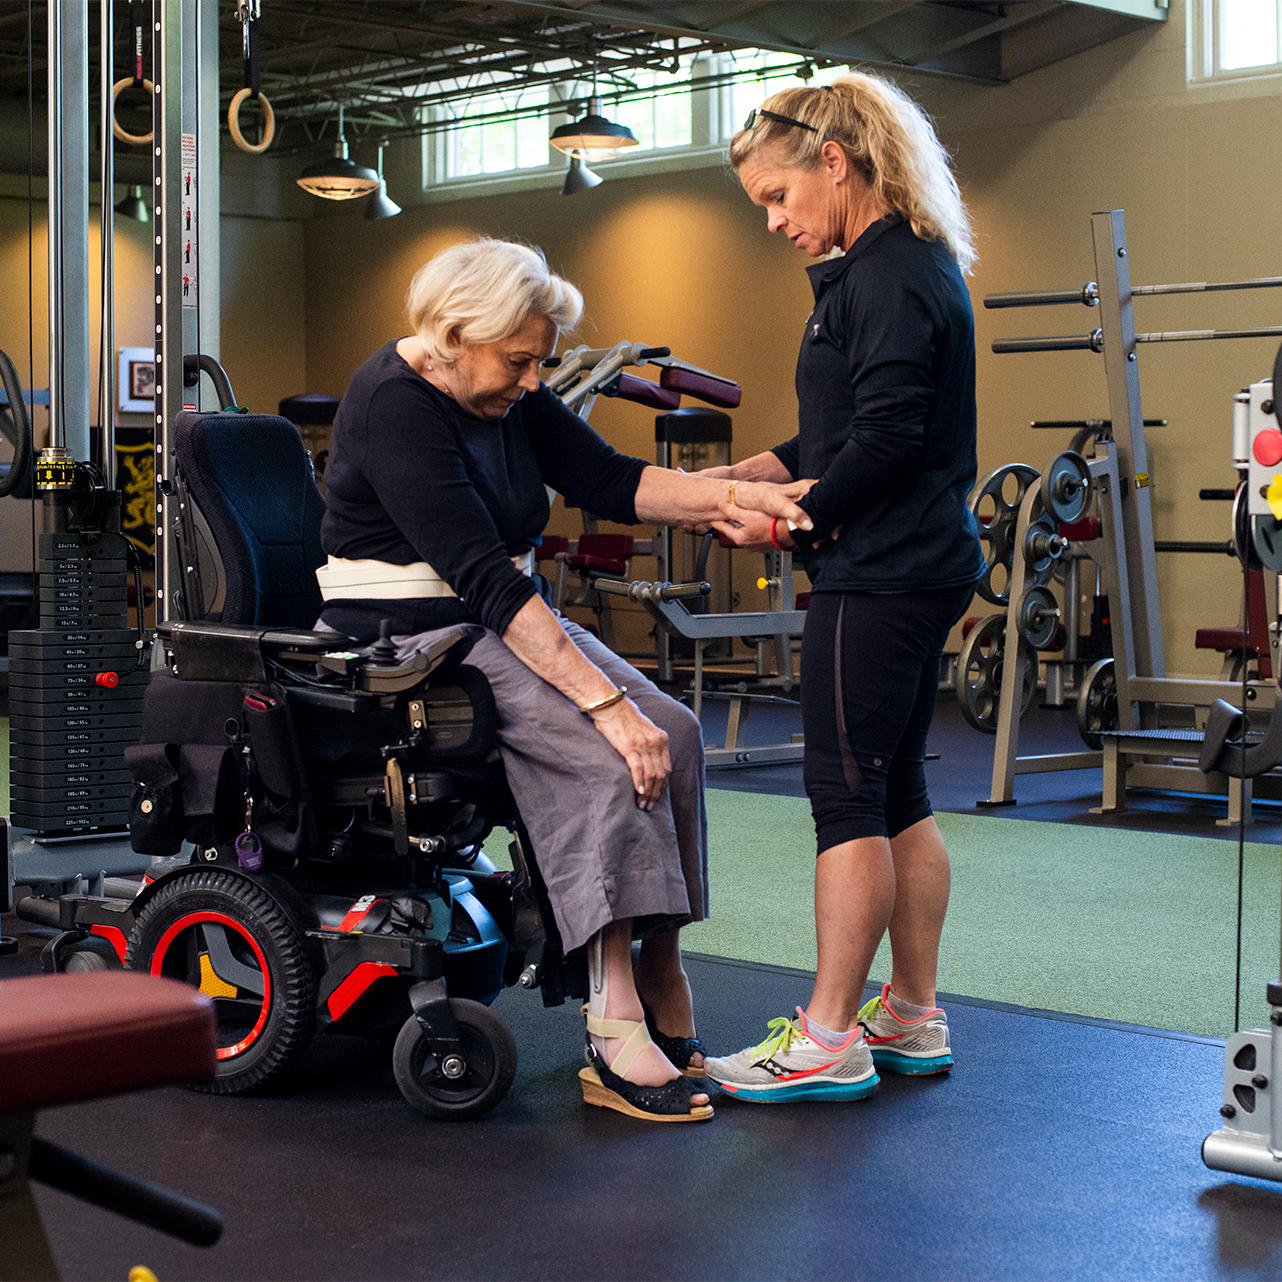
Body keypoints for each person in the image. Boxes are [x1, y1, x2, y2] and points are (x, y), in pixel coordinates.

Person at [316, 237, 813, 1123]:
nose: (533, 379)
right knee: (609, 753)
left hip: (487, 620)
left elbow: (609, 479)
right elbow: (488, 577)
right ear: (458, 332)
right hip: (408, 638)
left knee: (681, 734)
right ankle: (612, 1016)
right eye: (519, 360)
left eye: (541, 361)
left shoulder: (507, 389)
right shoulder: (395, 401)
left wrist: (740, 502)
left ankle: (659, 958)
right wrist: (606, 706)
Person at [700, 73, 983, 1103]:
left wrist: (798, 514)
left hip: (883, 570)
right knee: (896, 788)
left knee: (845, 795)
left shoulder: (887, 274)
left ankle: (826, 1035)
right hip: (911, 561)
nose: (774, 221)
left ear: (835, 160)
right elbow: (840, 435)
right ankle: (909, 1011)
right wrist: (745, 480)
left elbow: (887, 442)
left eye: (778, 197)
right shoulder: (888, 267)